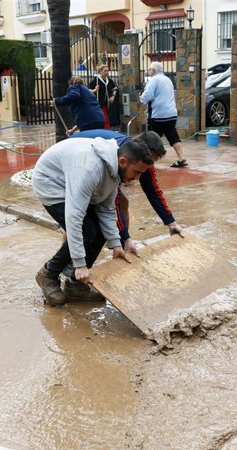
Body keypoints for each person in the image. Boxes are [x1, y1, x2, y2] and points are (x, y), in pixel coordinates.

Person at [32, 136, 153, 306]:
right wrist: (81, 264)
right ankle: (48, 274)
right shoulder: (90, 169)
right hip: (51, 183)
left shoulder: (114, 169)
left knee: (99, 230)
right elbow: (74, 217)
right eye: (138, 172)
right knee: (86, 231)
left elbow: (107, 209)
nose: (138, 178)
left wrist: (116, 244)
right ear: (123, 161)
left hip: (72, 181)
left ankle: (75, 285)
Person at [70, 129, 184, 256]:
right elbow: (113, 202)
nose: (149, 166)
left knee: (123, 202)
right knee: (80, 214)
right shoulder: (121, 156)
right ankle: (70, 257)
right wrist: (124, 237)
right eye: (149, 160)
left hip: (91, 163)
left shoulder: (143, 161)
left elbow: (153, 191)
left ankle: (123, 245)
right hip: (75, 160)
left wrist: (171, 222)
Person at [139, 62, 188, 168]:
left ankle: (149, 161)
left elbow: (148, 95)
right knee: (173, 136)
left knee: (152, 138)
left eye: (150, 69)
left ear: (154, 70)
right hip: (171, 114)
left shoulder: (154, 80)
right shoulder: (168, 80)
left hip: (158, 115)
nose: (149, 71)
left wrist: (141, 98)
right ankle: (181, 158)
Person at [88, 65, 118, 129]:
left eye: (107, 70)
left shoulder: (109, 80)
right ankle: (105, 130)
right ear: (100, 71)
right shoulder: (96, 80)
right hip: (98, 103)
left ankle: (104, 130)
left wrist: (113, 96)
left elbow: (115, 89)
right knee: (104, 118)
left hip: (107, 104)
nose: (107, 72)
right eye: (105, 71)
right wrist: (95, 90)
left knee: (106, 117)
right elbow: (88, 90)